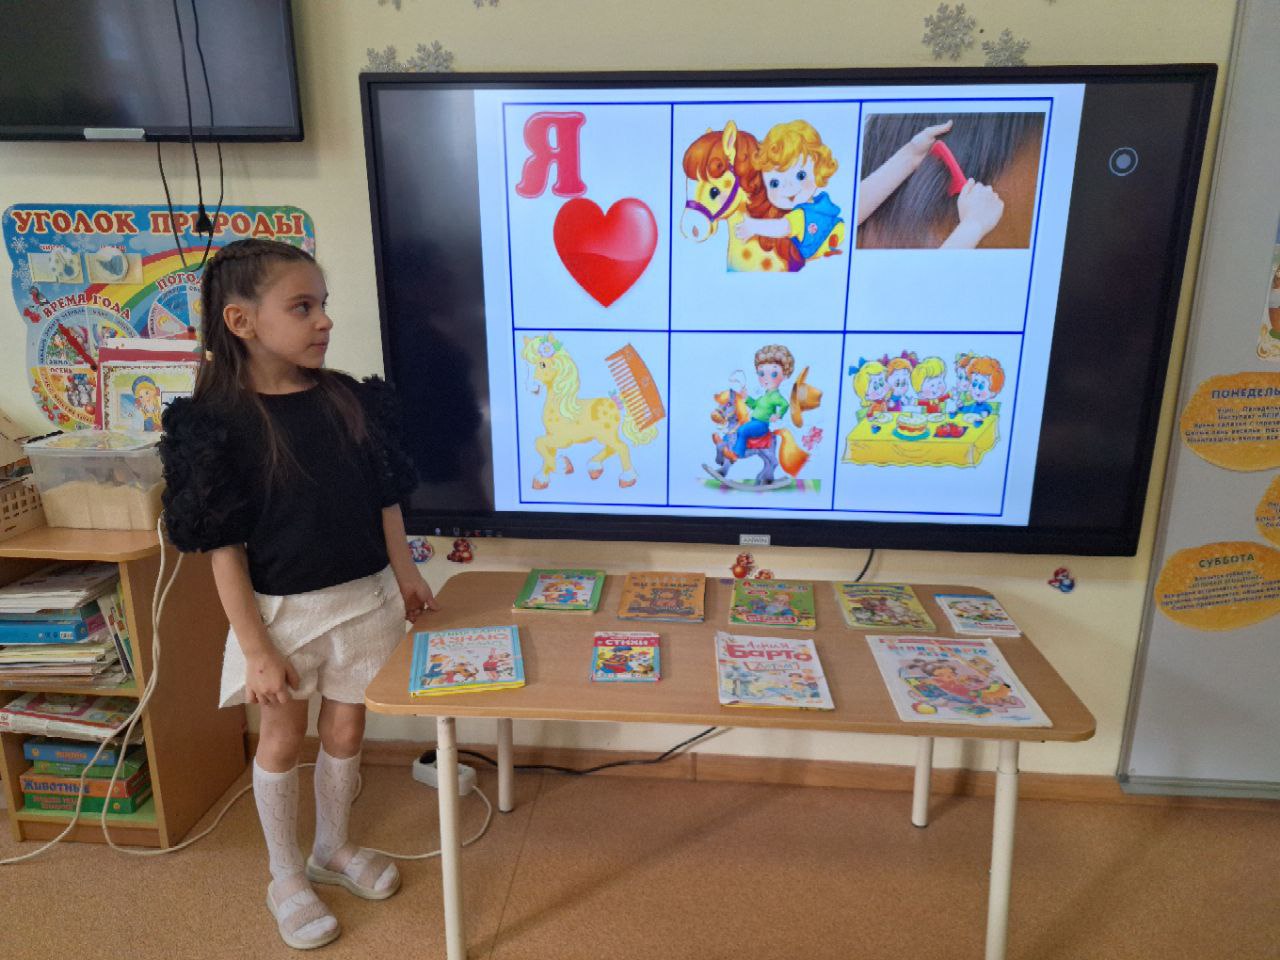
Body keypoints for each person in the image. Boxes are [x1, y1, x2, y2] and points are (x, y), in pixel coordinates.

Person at [158, 238, 436, 951]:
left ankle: (331, 849)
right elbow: (222, 549)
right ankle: (284, 875)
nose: (324, 321)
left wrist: (406, 572)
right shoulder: (216, 426)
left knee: (346, 731)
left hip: (365, 600)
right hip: (282, 618)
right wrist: (256, 650)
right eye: (303, 307)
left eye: (324, 305)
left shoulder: (349, 400)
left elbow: (385, 497)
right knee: (283, 737)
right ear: (242, 321)